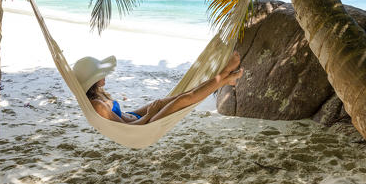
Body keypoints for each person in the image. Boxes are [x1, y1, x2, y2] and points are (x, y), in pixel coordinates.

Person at [73, 52, 244, 124]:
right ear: (92, 79)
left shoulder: (96, 96)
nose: (105, 75)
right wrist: (150, 114)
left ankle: (225, 77)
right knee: (184, 99)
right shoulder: (97, 106)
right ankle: (224, 77)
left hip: (135, 116)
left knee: (181, 95)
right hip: (142, 125)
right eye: (100, 73)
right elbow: (129, 130)